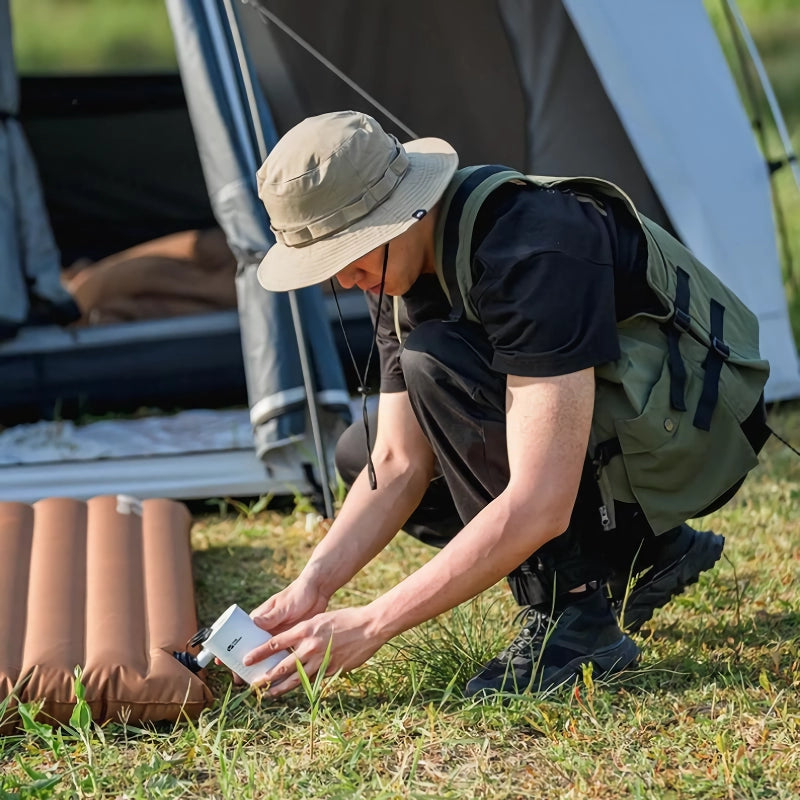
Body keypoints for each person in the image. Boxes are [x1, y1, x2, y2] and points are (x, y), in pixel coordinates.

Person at [240, 110, 770, 698]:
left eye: (347, 254)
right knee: (358, 453)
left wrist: (372, 623)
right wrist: (314, 584)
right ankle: (645, 550)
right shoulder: (393, 267)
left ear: (399, 215)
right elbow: (395, 462)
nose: (342, 281)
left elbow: (540, 501)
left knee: (434, 362)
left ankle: (576, 622)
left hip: (694, 436)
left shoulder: (529, 244)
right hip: (616, 440)